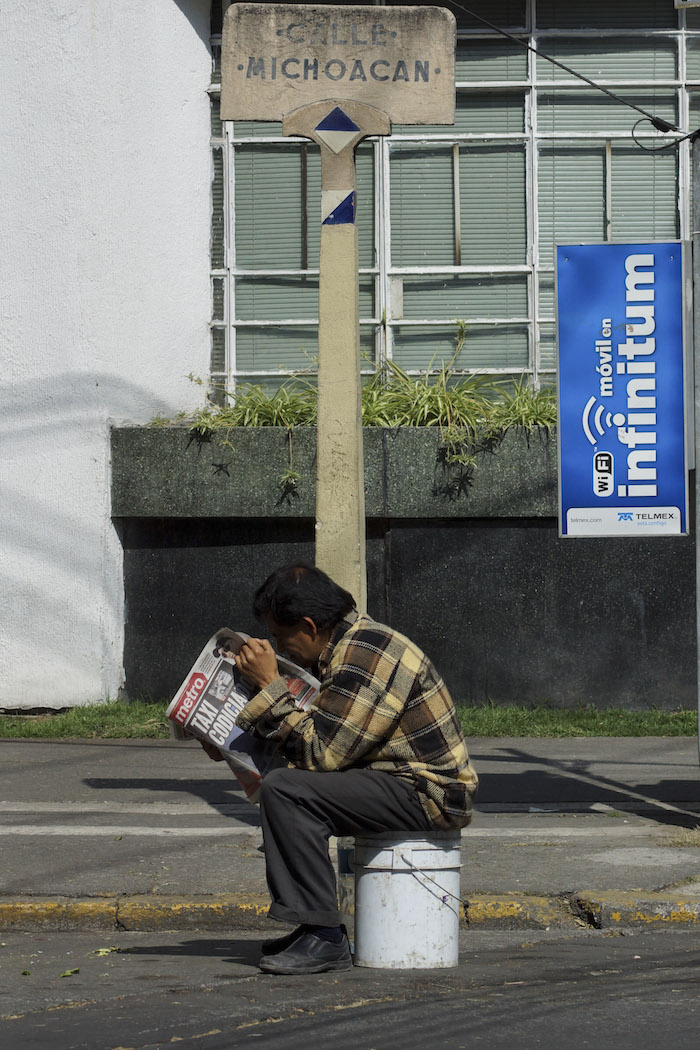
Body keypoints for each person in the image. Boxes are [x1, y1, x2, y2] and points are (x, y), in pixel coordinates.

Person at [221, 563, 478, 975]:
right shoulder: (344, 647)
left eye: (280, 636)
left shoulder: (368, 654)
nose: (277, 646)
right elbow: (316, 741)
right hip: (389, 779)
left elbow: (322, 754)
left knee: (285, 790)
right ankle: (312, 928)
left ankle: (323, 936)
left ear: (308, 625)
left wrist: (271, 686)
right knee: (284, 785)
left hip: (429, 793)